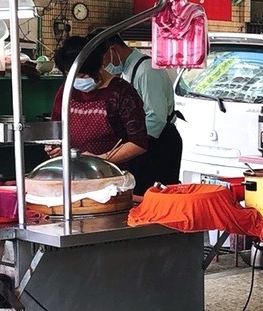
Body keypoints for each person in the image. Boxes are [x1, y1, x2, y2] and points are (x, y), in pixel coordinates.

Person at [50, 35, 150, 171]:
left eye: (83, 76)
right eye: (72, 76)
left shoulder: (122, 93)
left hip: (112, 173)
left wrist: (102, 159)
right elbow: (56, 127)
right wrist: (54, 146)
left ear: (99, 66)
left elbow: (138, 143)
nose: (77, 81)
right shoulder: (67, 90)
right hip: (72, 171)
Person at [100, 31, 183, 193]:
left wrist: (132, 146)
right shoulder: (127, 69)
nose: (103, 66)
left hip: (159, 144)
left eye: (103, 60)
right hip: (143, 142)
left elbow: (155, 118)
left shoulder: (146, 70)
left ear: (113, 50)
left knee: (155, 197)